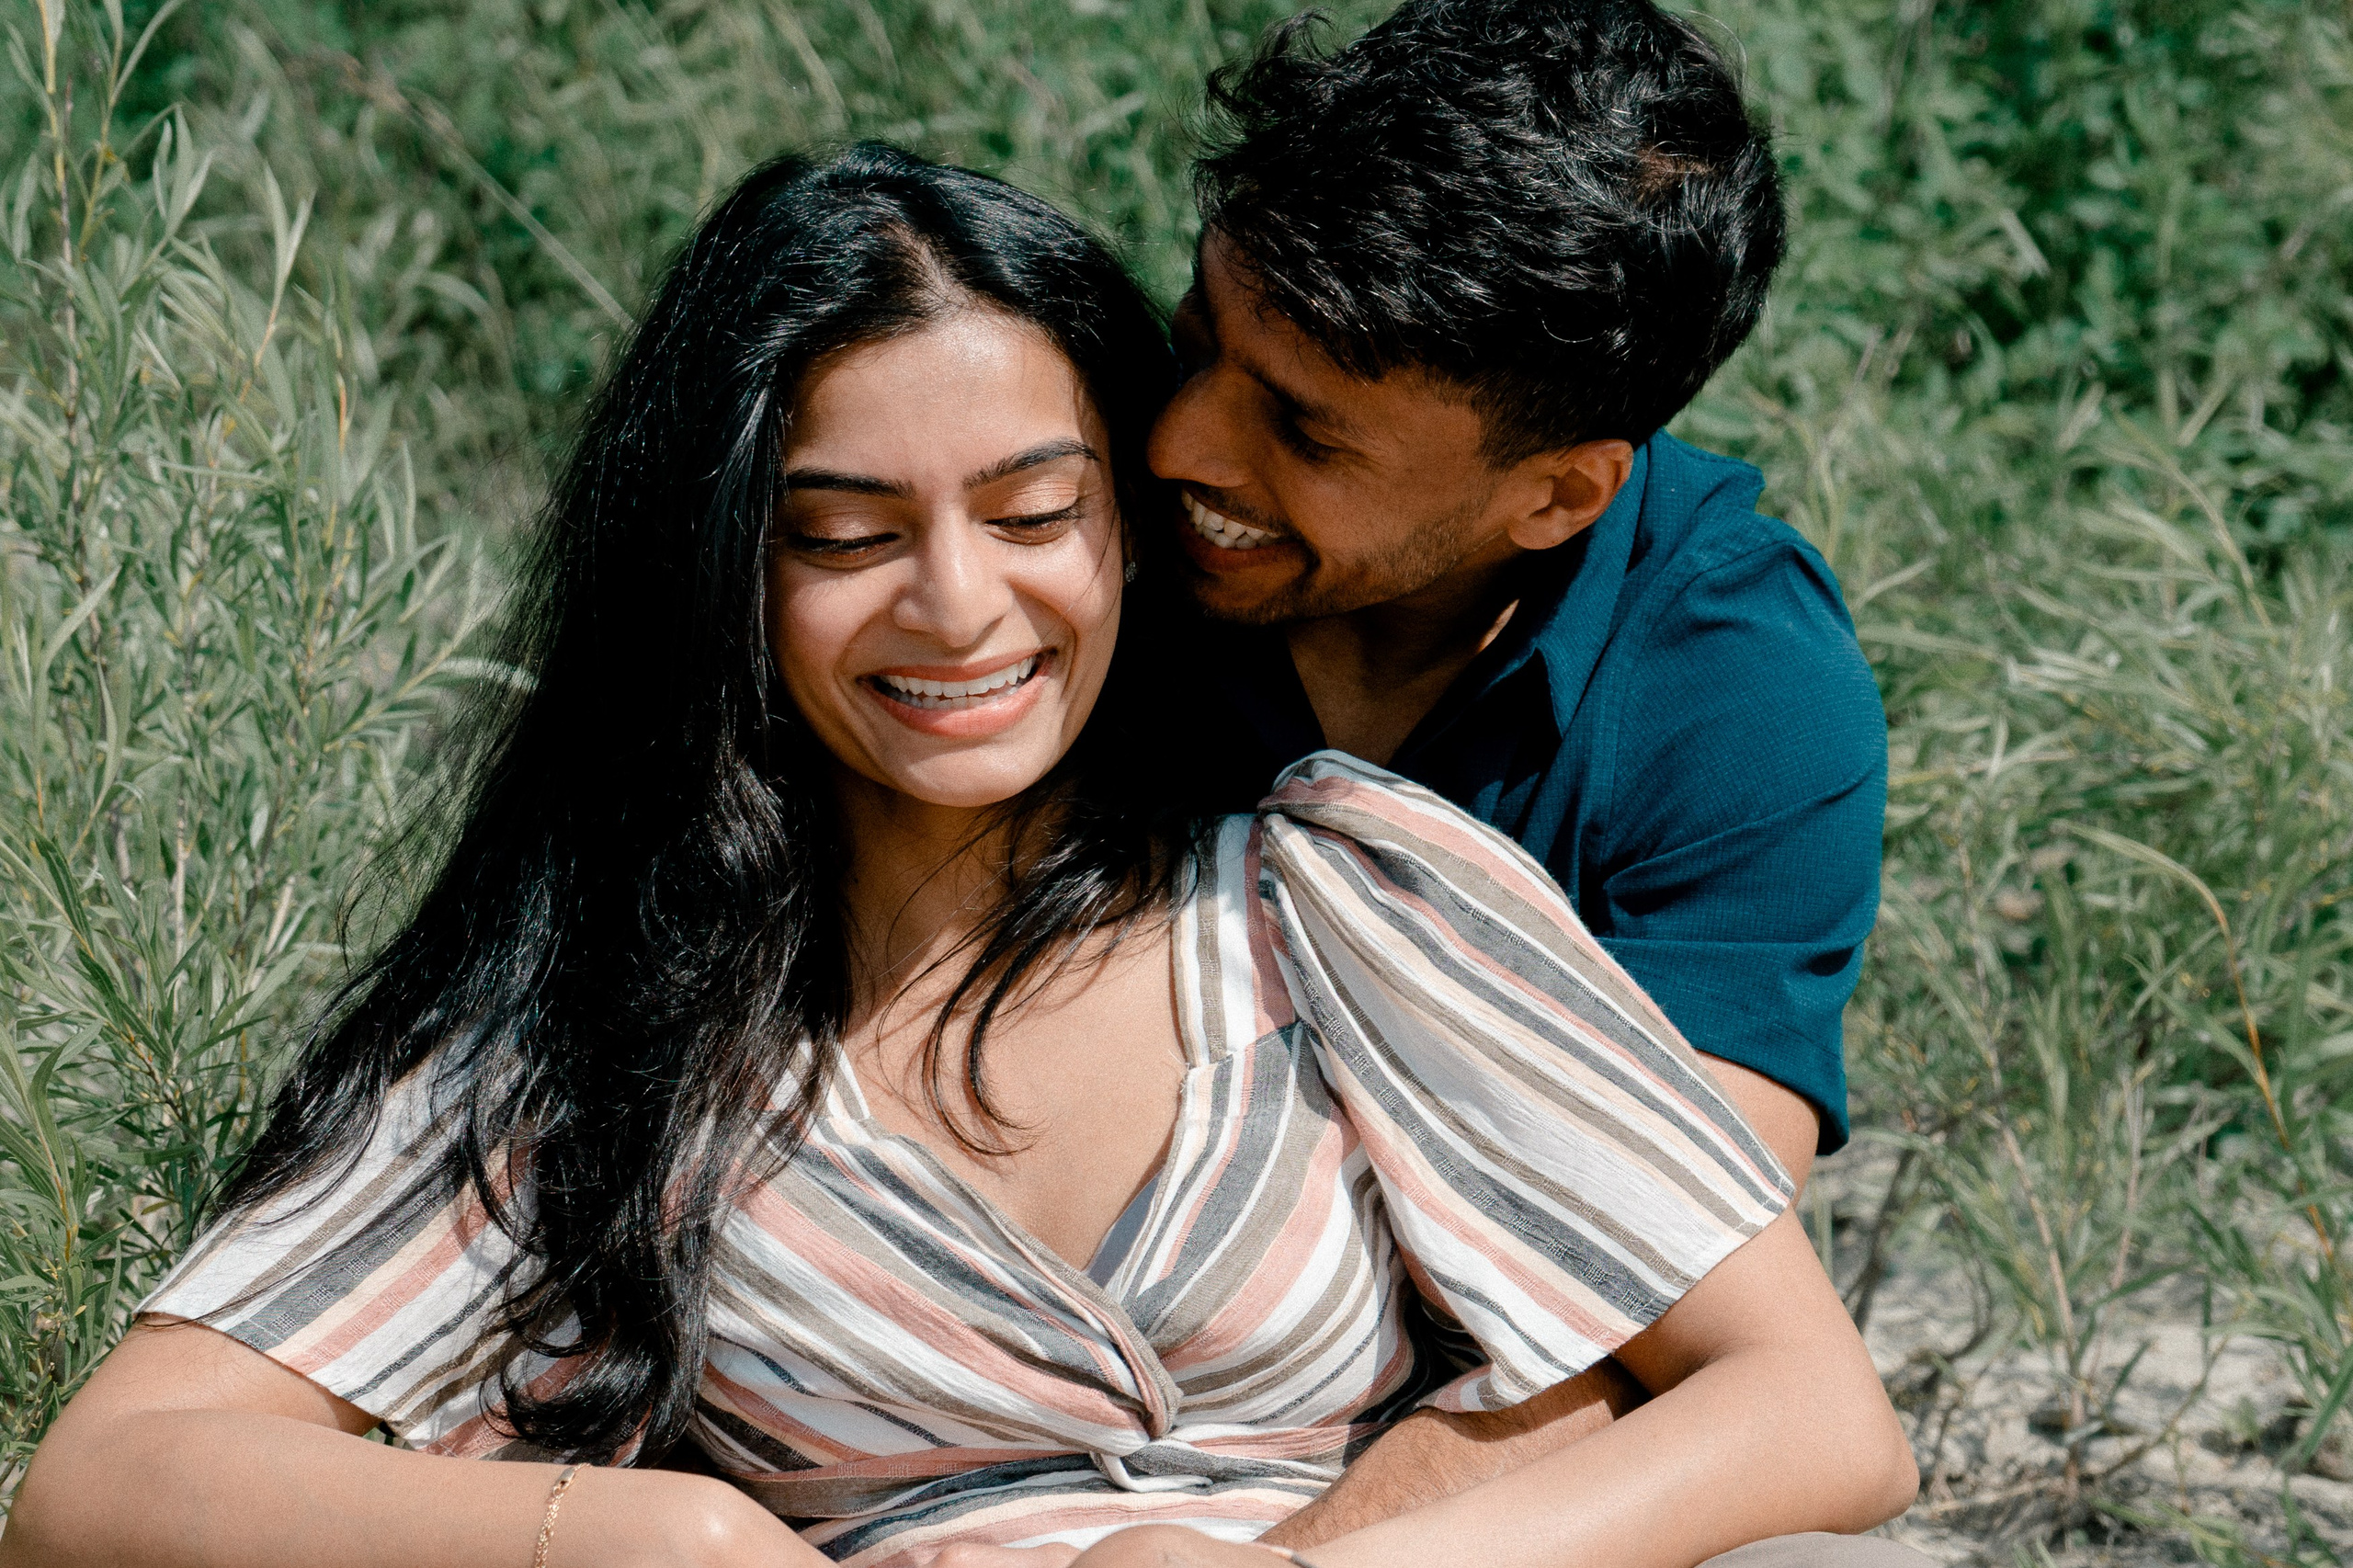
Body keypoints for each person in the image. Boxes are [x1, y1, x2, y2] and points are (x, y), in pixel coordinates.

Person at [2, 146, 1913, 1568]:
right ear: (730, 577)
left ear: (1128, 537)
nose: (954, 604)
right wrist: (667, 1540)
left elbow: (1809, 1411)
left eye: (1031, 511)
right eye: (843, 531)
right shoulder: (608, 1024)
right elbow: (100, 1481)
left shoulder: (1334, 896)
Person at [1143, 4, 1891, 1545]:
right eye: (1200, 335)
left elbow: (1637, 1304)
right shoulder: (1046, 517)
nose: (1176, 446)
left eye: (1303, 428)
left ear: (1557, 494)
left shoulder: (1736, 688)